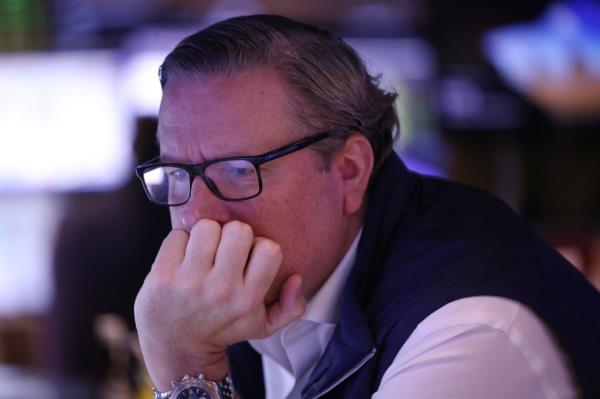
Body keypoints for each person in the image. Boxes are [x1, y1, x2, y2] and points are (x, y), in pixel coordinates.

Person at [133, 15, 600, 399]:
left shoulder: (471, 331)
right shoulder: (263, 287)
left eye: (237, 171)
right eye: (179, 175)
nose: (198, 217)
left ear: (350, 171)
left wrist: (185, 367)